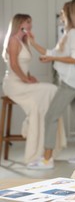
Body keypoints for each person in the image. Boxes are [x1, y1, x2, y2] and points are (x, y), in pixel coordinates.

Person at [26, 0, 75, 169]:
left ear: (69, 14)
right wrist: (33, 43)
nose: (60, 15)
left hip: (70, 83)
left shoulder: (74, 34)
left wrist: (53, 58)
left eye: (62, 12)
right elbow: (52, 52)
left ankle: (47, 160)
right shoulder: (69, 34)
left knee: (50, 117)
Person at [2, 14, 66, 165]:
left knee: (51, 90)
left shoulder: (24, 41)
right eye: (27, 22)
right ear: (19, 23)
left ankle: (48, 146)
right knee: (43, 97)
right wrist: (26, 79)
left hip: (23, 81)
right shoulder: (13, 40)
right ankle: (33, 139)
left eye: (31, 22)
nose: (30, 25)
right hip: (14, 84)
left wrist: (30, 77)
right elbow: (13, 65)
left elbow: (23, 65)